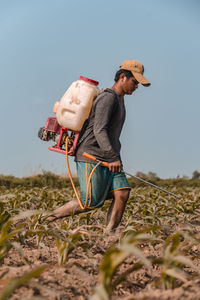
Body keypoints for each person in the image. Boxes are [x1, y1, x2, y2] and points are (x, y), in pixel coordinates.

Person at [48, 60, 151, 230]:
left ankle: (108, 235)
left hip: (110, 157)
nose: (136, 87)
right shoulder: (108, 98)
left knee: (123, 192)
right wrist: (112, 157)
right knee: (90, 202)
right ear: (123, 77)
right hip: (92, 156)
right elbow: (99, 131)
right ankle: (43, 219)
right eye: (135, 82)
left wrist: (114, 156)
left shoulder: (119, 100)